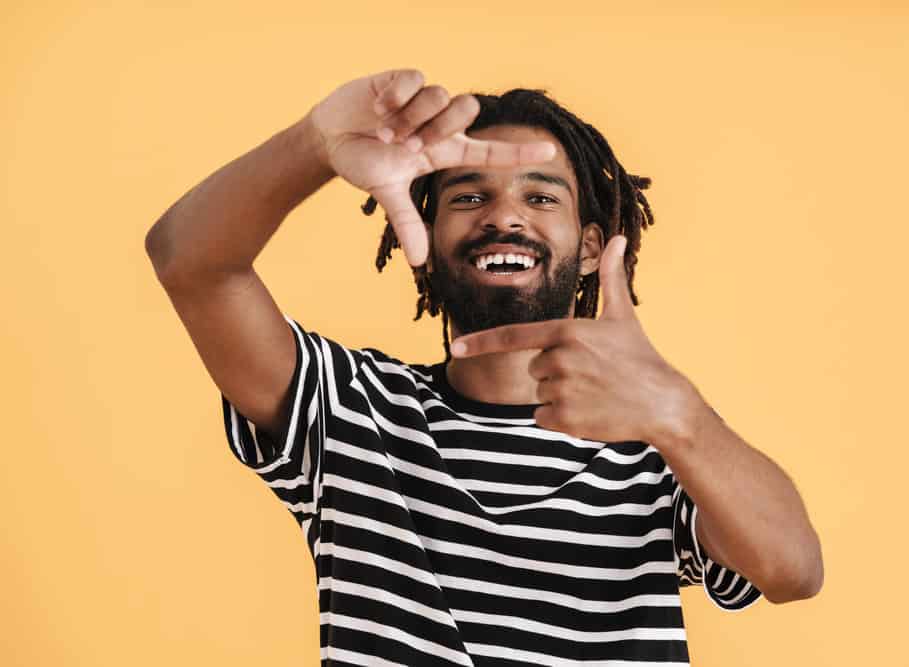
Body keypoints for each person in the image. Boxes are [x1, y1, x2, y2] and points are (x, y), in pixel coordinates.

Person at [145, 68, 823, 666]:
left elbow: (794, 569)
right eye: (469, 196)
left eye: (540, 196)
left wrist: (678, 414)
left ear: (590, 247)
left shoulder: (661, 447)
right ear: (429, 235)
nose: (504, 215)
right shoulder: (348, 412)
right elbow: (189, 261)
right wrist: (318, 142)